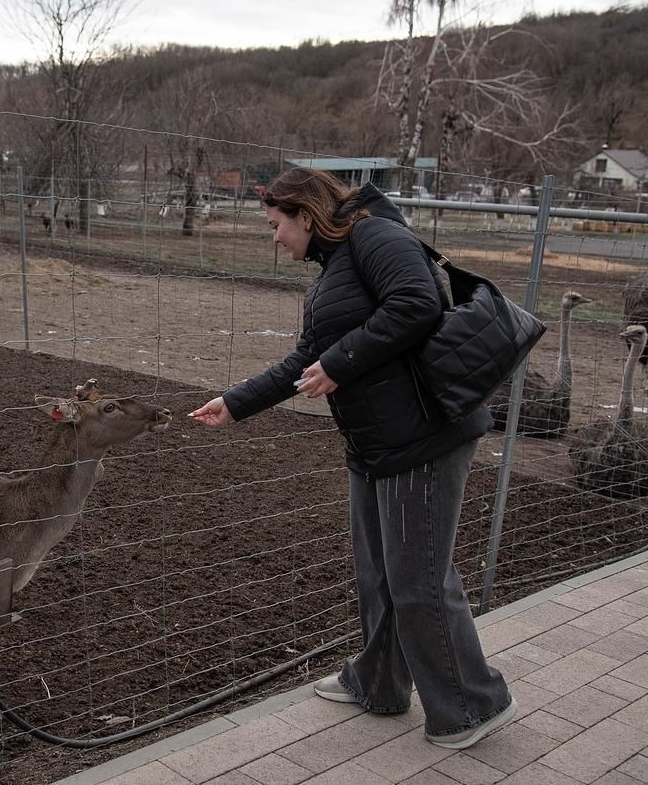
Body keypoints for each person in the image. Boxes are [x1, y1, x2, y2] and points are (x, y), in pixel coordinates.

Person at [189, 167, 516, 750]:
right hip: (375, 441)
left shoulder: (374, 236)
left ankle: (472, 704)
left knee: (418, 579)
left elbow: (417, 303)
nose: (274, 238)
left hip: (422, 436)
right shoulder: (333, 271)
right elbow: (306, 362)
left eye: (275, 225)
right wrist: (235, 404)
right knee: (380, 574)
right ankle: (380, 683)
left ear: (306, 217)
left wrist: (341, 364)